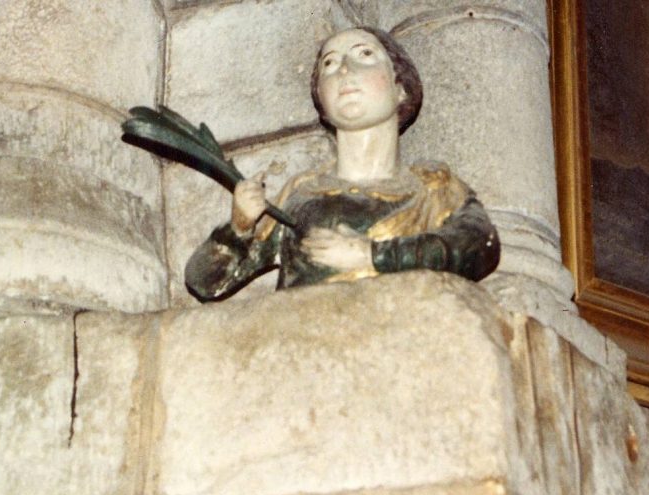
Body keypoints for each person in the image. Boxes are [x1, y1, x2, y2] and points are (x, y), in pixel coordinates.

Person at [186, 27, 499, 302]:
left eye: (365, 55)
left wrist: (372, 255)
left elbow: (480, 245)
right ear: (322, 100)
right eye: (330, 63)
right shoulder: (302, 194)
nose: (345, 69)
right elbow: (205, 282)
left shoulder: (432, 187)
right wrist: (239, 226)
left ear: (400, 87)